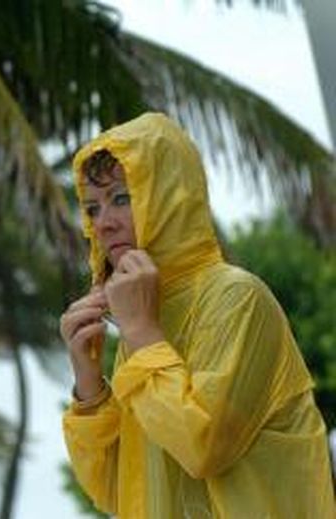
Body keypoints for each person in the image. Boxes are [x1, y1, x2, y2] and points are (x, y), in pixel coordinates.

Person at [60, 112, 336, 518]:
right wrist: (89, 386)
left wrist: (140, 332)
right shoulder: (145, 326)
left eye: (121, 198)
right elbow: (119, 491)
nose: (103, 224)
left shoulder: (236, 298)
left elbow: (201, 444)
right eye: (92, 208)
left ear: (169, 198)